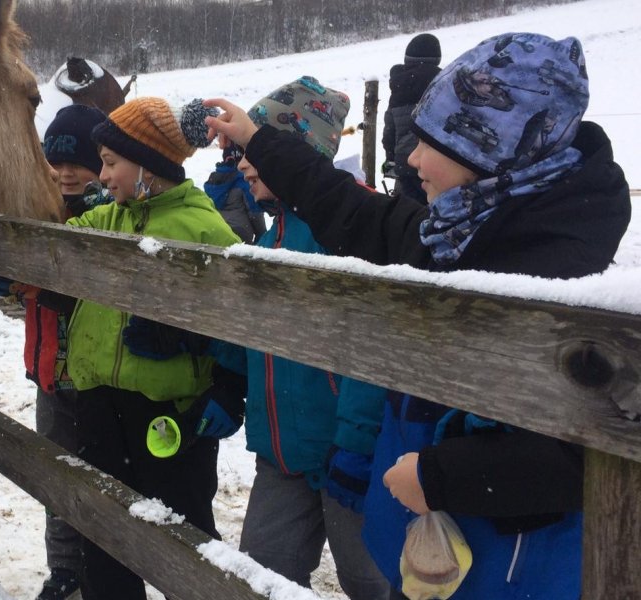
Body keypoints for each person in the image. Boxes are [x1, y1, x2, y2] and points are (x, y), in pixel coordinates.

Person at [205, 33, 630, 599]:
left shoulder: (557, 278)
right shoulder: (460, 232)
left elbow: (581, 452)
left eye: (431, 144)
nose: (410, 159)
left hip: (509, 572)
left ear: (487, 151)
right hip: (446, 559)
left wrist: (441, 476)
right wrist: (260, 141)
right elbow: (354, 212)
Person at [209, 77, 395, 599]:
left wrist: (358, 443)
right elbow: (253, 328)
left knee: (369, 580)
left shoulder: (353, 232)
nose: (243, 164)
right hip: (282, 453)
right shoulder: (272, 238)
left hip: (349, 454)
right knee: (264, 574)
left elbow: (372, 345)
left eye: (253, 150)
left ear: (298, 151)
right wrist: (227, 381)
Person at [65, 96, 243, 600]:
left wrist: (216, 371)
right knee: (103, 536)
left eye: (111, 162)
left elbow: (240, 323)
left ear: (148, 164)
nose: (102, 175)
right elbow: (57, 241)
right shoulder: (110, 219)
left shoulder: (203, 229)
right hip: (99, 403)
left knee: (182, 539)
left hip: (168, 416)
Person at [22, 104, 110, 600]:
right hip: (50, 378)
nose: (65, 173)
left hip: (96, 382)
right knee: (57, 484)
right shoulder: (36, 211)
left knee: (97, 483)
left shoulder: (109, 216)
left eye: (78, 161)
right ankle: (64, 573)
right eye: (55, 162)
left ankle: (101, 573)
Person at [382, 33, 441, 204]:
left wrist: (391, 158)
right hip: (435, 165)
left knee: (405, 214)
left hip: (405, 164)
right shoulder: (443, 85)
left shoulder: (399, 88)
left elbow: (389, 131)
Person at [204, 142, 266, 243]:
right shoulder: (244, 181)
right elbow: (255, 212)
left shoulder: (213, 179)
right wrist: (262, 234)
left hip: (215, 229)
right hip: (240, 233)